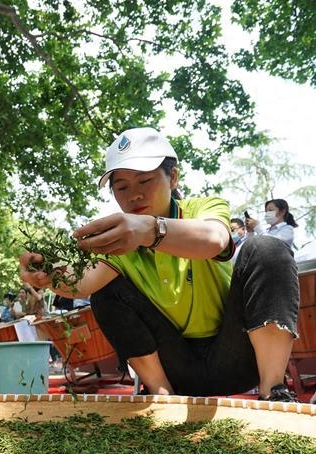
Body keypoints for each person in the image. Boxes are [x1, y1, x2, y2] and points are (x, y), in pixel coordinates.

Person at [19, 127, 300, 401]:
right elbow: (83, 282)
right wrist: (48, 274)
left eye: (145, 181)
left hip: (238, 357)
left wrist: (150, 231)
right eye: (121, 187)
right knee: (105, 292)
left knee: (268, 248)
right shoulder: (120, 241)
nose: (134, 196)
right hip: (176, 371)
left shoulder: (203, 208)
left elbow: (214, 239)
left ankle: (273, 390)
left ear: (173, 177)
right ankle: (161, 396)